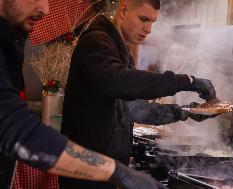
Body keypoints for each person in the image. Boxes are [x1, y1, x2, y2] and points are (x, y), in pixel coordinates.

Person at [0, 0, 168, 189]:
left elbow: (125, 107)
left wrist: (172, 112)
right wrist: (117, 171)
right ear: (123, 10)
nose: (45, 9)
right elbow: (16, 129)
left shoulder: (10, 40)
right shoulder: (97, 41)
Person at [60, 0, 218, 188]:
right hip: (85, 170)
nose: (149, 29)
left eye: (153, 22)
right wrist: (186, 81)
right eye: (143, 19)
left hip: (107, 170)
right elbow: (118, 82)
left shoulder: (120, 50)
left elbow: (133, 108)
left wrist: (183, 112)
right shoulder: (96, 41)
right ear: (124, 9)